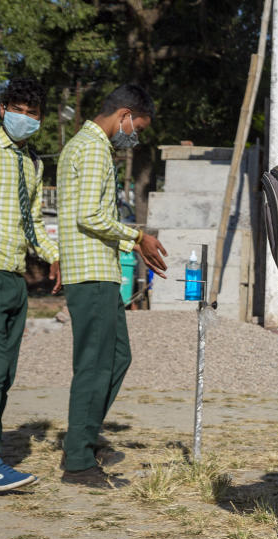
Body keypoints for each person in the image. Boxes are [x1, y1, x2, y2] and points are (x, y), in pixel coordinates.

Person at [56, 84, 167, 488]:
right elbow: (90, 216)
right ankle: (79, 461)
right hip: (90, 273)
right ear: (123, 114)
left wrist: (132, 244)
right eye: (135, 126)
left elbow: (95, 216)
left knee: (117, 358)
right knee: (95, 365)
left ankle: (84, 436)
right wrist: (137, 237)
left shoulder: (91, 147)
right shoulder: (91, 148)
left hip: (100, 270)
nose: (133, 134)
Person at [0, 78, 60, 492]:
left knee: (4, 374)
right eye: (19, 109)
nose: (26, 119)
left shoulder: (32, 163)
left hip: (14, 279)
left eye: (33, 114)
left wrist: (54, 258)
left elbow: (32, 220)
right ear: (2, 109)